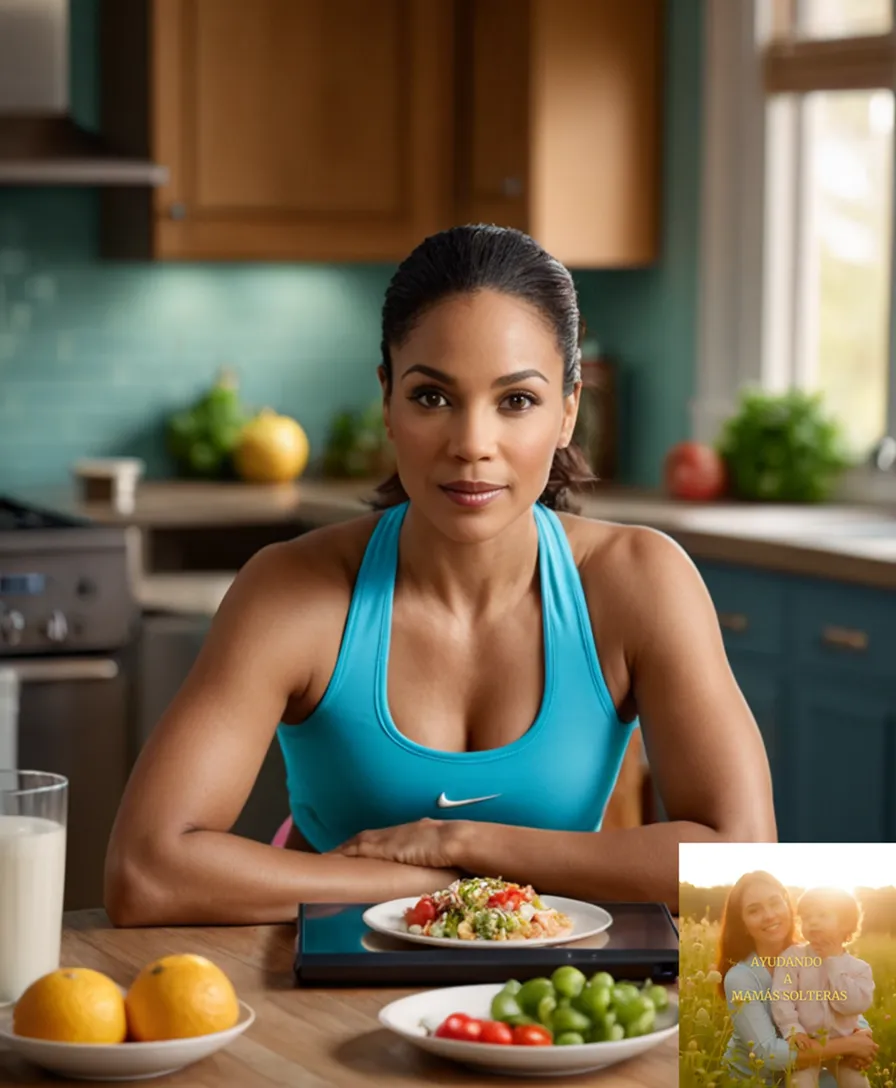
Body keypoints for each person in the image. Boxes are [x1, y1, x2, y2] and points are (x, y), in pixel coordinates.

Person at [105, 224, 776, 928]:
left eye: (516, 401)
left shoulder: (640, 582)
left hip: (544, 998)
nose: (472, 446)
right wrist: (440, 884)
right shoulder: (291, 592)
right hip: (313, 993)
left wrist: (462, 840)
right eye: (433, 397)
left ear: (568, 410)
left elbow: (745, 865)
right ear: (387, 401)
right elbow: (145, 872)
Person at [717, 872, 878, 1086]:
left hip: (809, 1065)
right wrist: (849, 1045)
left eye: (775, 903)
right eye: (754, 910)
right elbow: (768, 1053)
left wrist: (862, 1033)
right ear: (743, 924)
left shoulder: (816, 953)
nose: (769, 915)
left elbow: (838, 1002)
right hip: (756, 1080)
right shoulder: (741, 978)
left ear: (788, 906)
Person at [771, 887, 874, 1088]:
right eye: (807, 917)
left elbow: (852, 1006)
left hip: (844, 1048)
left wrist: (833, 961)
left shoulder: (859, 968)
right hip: (807, 1044)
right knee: (800, 1083)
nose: (813, 922)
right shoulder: (792, 958)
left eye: (822, 915)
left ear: (846, 923)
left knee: (858, 1083)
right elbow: (781, 997)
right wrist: (793, 1030)